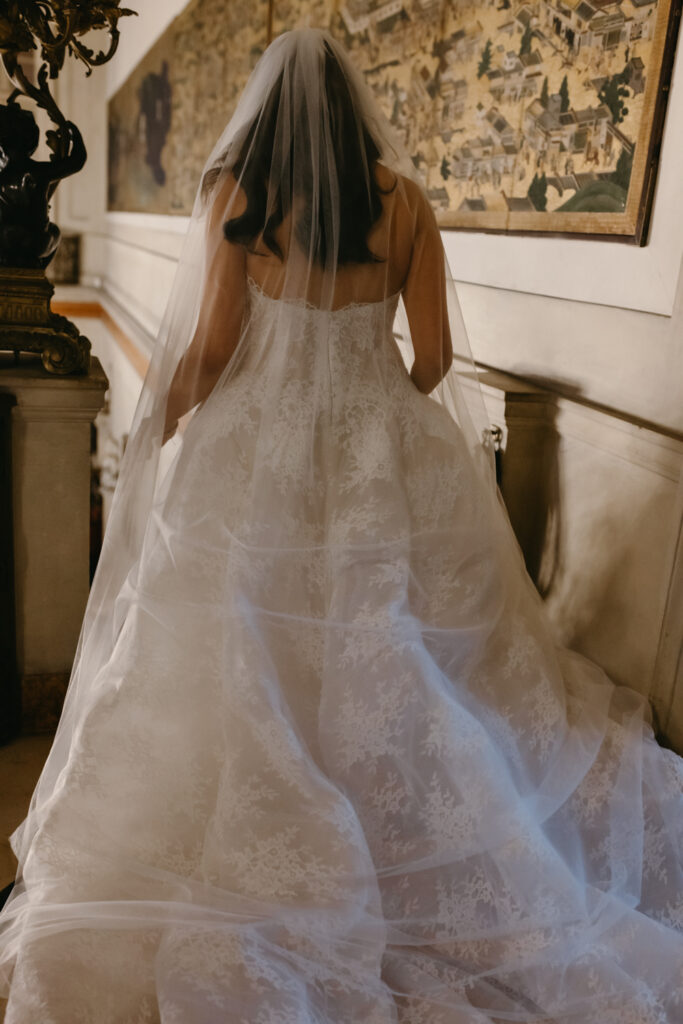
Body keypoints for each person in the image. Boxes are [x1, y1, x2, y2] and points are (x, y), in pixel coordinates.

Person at [1, 27, 681, 1023]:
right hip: (381, 459)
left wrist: (164, 433)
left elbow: (210, 352)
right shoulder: (402, 202)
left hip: (257, 456)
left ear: (269, 115)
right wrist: (377, 410)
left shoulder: (240, 202)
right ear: (352, 109)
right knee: (394, 651)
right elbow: (437, 357)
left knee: (245, 644)